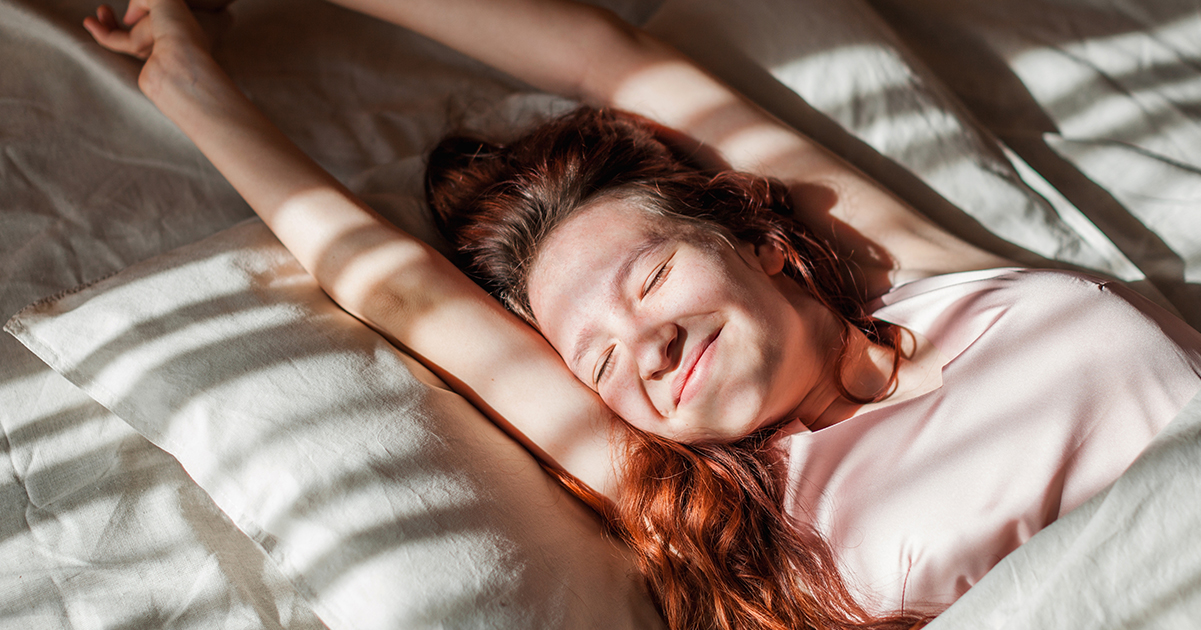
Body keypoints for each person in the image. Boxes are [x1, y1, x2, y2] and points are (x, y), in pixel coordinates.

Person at [82, 1, 1201, 628]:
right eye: (599, 358)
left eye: (651, 280)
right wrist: (185, 83)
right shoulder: (734, 508)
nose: (645, 348)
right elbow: (399, 290)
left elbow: (608, 59)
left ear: (767, 243)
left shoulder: (929, 274)